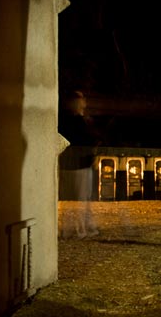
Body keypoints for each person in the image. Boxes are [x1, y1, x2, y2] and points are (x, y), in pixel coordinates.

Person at [58, 90, 99, 238]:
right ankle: (77, 230)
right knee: (80, 199)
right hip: (79, 166)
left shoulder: (67, 121)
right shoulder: (78, 122)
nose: (84, 100)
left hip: (72, 165)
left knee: (76, 199)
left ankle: (76, 229)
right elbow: (89, 139)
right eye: (81, 98)